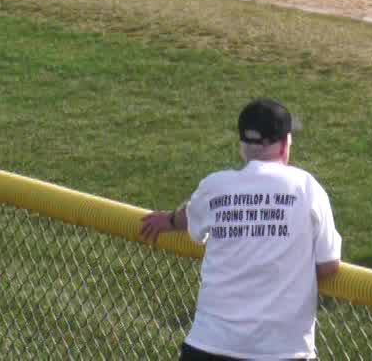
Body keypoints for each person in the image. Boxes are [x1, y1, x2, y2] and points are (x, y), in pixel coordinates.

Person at [140, 99, 342, 361]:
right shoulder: (307, 188)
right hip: (282, 351)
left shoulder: (215, 186)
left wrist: (167, 221)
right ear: (284, 145)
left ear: (242, 146)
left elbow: (191, 217)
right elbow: (329, 265)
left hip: (208, 345)